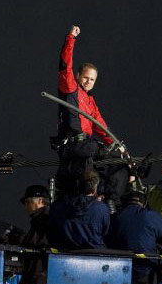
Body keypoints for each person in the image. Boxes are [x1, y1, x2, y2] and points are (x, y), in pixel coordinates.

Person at [53, 25, 128, 211]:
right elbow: (65, 65)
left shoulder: (90, 101)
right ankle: (109, 200)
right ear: (79, 76)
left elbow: (101, 127)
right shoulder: (70, 89)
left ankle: (109, 200)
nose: (88, 82)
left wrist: (118, 145)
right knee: (110, 158)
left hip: (86, 146)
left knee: (118, 163)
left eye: (92, 80)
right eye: (86, 77)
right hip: (74, 145)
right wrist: (71, 37)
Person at [48, 170, 110, 284]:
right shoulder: (101, 209)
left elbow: (51, 231)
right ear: (95, 187)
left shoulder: (60, 207)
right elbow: (106, 231)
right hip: (92, 266)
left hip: (63, 263)